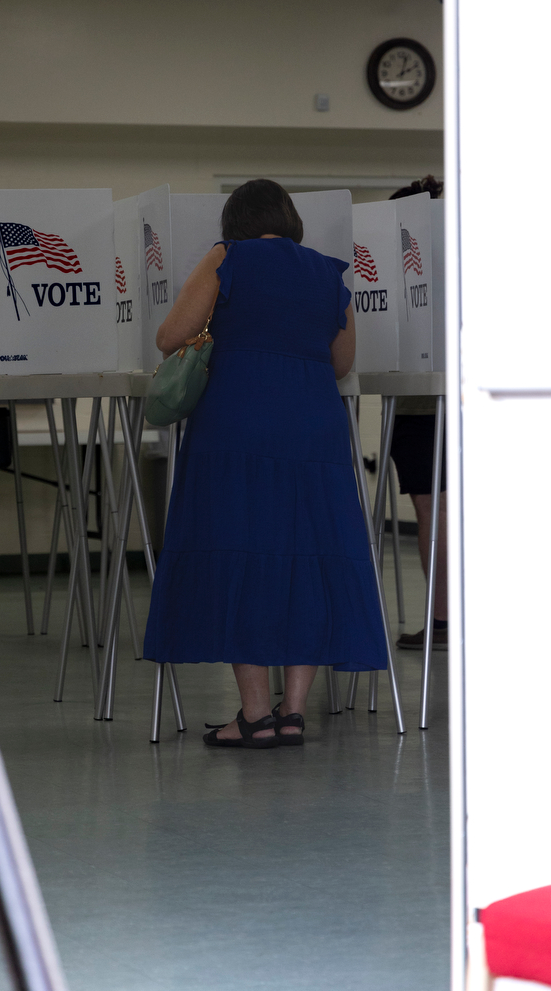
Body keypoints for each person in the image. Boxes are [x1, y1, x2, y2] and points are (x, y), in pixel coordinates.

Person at [143, 179, 387, 748]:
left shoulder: (227, 256)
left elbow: (170, 336)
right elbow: (342, 360)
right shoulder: (327, 272)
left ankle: (253, 714)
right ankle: (294, 710)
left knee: (241, 553)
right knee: (307, 556)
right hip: (313, 430)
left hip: (238, 425)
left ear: (236, 221)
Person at [387, 176, 447, 650]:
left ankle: (444, 620)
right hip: (463, 397)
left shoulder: (405, 262)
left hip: (420, 401)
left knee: (432, 509)